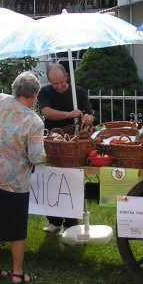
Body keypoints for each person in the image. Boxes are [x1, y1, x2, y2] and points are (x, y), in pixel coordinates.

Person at [0, 71, 45, 284]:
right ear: (34, 94)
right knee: (15, 228)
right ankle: (18, 273)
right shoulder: (34, 121)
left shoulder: (0, 100)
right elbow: (36, 157)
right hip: (14, 182)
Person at [38, 63, 94, 233]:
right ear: (49, 81)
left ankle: (71, 222)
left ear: (67, 77)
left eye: (61, 82)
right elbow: (46, 112)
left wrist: (88, 118)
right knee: (52, 180)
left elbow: (90, 113)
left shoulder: (79, 92)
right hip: (53, 142)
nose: (59, 86)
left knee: (73, 180)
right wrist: (70, 114)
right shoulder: (45, 92)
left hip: (74, 144)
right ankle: (54, 222)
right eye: (55, 83)